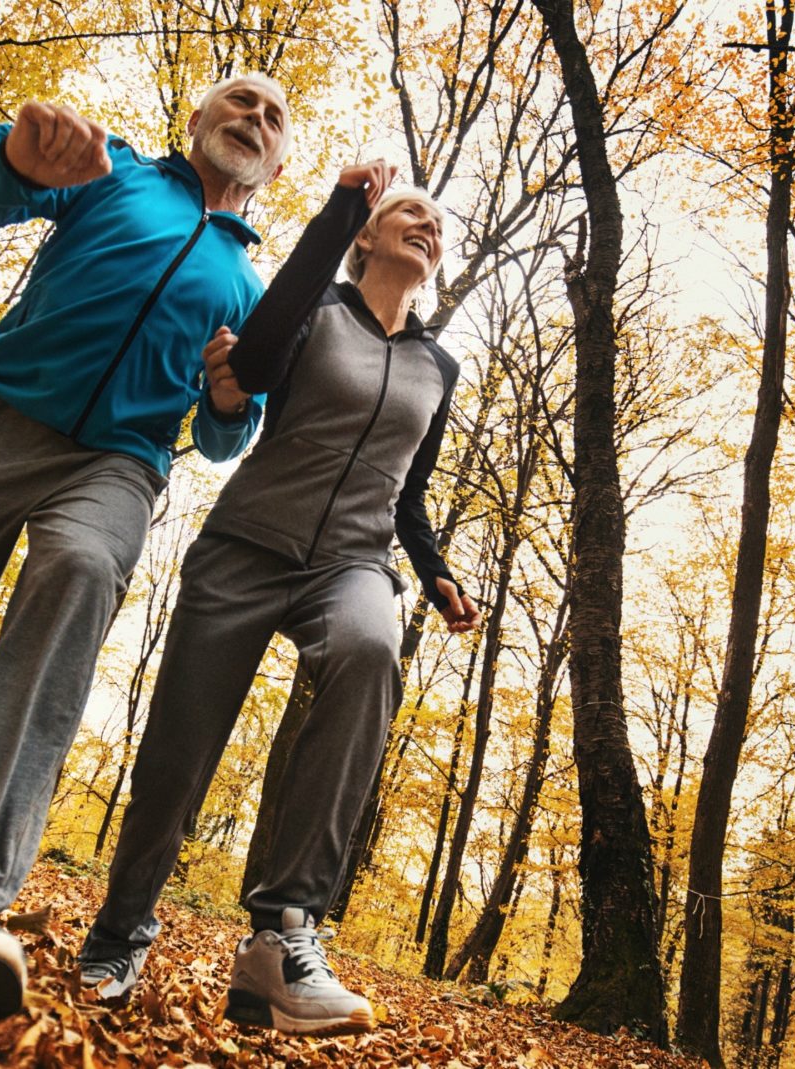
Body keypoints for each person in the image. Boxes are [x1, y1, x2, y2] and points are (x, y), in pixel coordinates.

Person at [0, 75, 299, 1024]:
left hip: (119, 465)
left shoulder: (253, 286)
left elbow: (229, 430)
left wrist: (233, 402)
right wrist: (9, 157)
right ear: (195, 122)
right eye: (238, 102)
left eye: (274, 119)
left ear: (279, 166)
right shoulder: (111, 177)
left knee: (78, 571)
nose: (254, 120)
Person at [76, 176, 481, 1036]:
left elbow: (411, 496)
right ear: (366, 238)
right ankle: (118, 934)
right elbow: (251, 368)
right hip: (249, 544)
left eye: (438, 225)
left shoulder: (438, 365)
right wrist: (337, 210)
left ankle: (283, 932)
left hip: (354, 561)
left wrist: (435, 567)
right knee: (181, 747)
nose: (428, 227)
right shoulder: (316, 308)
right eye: (410, 212)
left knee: (373, 651)